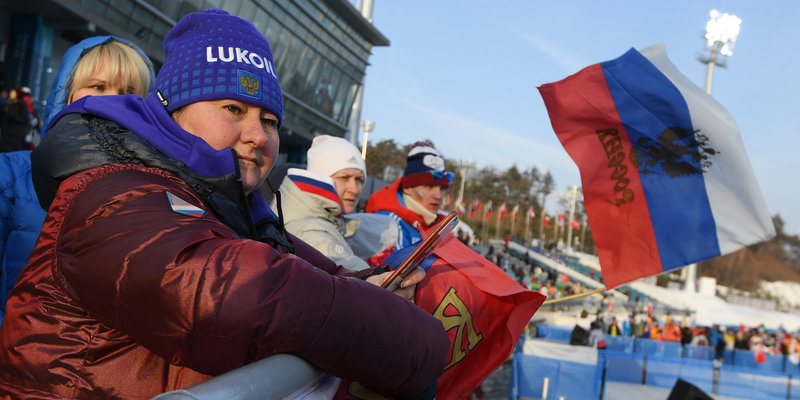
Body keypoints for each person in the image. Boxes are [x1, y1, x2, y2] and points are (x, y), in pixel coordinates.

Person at [0, 9, 448, 399]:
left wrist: (374, 283)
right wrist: (414, 342)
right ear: (171, 112)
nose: (257, 135)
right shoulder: (113, 189)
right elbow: (226, 291)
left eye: (269, 119)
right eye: (233, 109)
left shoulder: (232, 208)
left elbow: (310, 269)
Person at [0, 36, 154, 324]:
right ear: (67, 94)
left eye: (129, 93)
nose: (113, 101)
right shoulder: (9, 175)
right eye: (97, 87)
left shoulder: (157, 194)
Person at [273, 134, 396, 270]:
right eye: (344, 177)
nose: (354, 190)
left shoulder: (328, 222)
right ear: (320, 178)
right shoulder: (310, 232)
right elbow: (364, 282)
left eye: (359, 180)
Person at [365, 142, 453, 249]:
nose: (438, 196)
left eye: (442, 188)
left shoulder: (439, 227)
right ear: (407, 188)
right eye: (429, 187)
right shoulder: (388, 224)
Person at [0, 88, 29, 152]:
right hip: (5, 134)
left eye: (13, 93)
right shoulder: (7, 104)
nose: (11, 94)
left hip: (15, 135)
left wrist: (13, 117)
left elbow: (24, 119)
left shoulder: (21, 105)